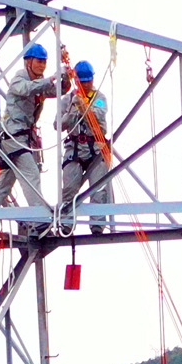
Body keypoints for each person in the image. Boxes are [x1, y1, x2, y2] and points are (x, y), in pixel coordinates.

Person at [0, 41, 64, 231]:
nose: (42, 65)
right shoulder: (20, 78)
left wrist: (64, 80)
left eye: (44, 62)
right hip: (13, 138)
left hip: (22, 139)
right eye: (39, 61)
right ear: (28, 62)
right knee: (31, 174)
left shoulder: (39, 81)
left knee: (4, 184)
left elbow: (56, 90)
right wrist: (51, 78)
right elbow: (27, 89)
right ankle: (40, 219)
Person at [56, 60, 113, 234]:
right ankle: (66, 224)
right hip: (75, 148)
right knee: (69, 189)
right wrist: (74, 107)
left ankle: (97, 225)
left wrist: (84, 108)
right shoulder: (67, 100)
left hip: (95, 147)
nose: (88, 84)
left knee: (98, 189)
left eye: (90, 80)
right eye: (84, 81)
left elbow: (98, 115)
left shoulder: (100, 98)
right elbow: (58, 124)